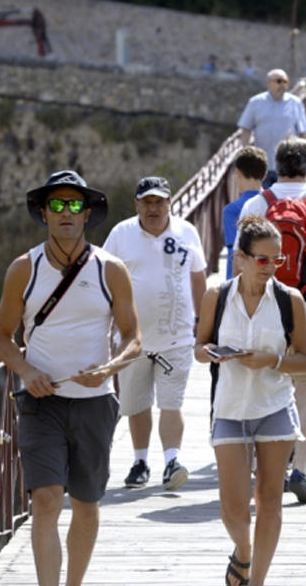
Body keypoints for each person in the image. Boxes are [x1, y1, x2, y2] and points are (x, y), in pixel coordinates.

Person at [0, 170, 142, 586]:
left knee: (87, 504)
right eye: (56, 205)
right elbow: (0, 339)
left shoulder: (111, 269)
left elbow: (134, 337)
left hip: (95, 403)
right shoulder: (24, 269)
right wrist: (26, 370)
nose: (66, 213)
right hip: (41, 403)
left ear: (88, 213)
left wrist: (110, 369)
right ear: (43, 213)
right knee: (45, 500)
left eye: (75, 204)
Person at [194, 215, 306, 586]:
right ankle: (243, 552)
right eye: (262, 259)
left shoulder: (289, 299)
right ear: (240, 258)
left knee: (269, 500)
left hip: (274, 406)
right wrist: (211, 353)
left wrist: (271, 360)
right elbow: (198, 347)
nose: (271, 267)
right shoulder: (218, 295)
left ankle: (256, 581)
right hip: (229, 408)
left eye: (277, 260)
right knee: (232, 506)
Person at [237, 137, 306, 504]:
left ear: (277, 164)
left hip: (264, 310)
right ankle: (301, 471)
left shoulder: (257, 204)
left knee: (260, 393)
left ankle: (264, 473)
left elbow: (241, 263)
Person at [102, 177, 207, 490]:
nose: (153, 208)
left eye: (159, 202)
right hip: (133, 338)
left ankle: (172, 460)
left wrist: (204, 323)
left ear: (170, 203)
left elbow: (198, 278)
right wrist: (104, 324)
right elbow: (103, 277)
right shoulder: (121, 234)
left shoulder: (186, 232)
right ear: (136, 204)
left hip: (176, 336)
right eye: (147, 202)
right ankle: (140, 460)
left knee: (171, 402)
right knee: (136, 402)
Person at [238, 69, 306, 189]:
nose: (282, 85)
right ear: (268, 83)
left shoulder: (295, 103)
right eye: (279, 81)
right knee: (263, 203)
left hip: (288, 167)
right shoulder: (255, 102)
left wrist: (305, 162)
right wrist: (246, 156)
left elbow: (303, 133)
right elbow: (246, 130)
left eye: (285, 82)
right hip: (262, 166)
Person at [224, 146, 267, 279]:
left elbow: (234, 253)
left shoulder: (231, 210)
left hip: (243, 282)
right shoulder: (274, 203)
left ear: (238, 173)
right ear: (265, 175)